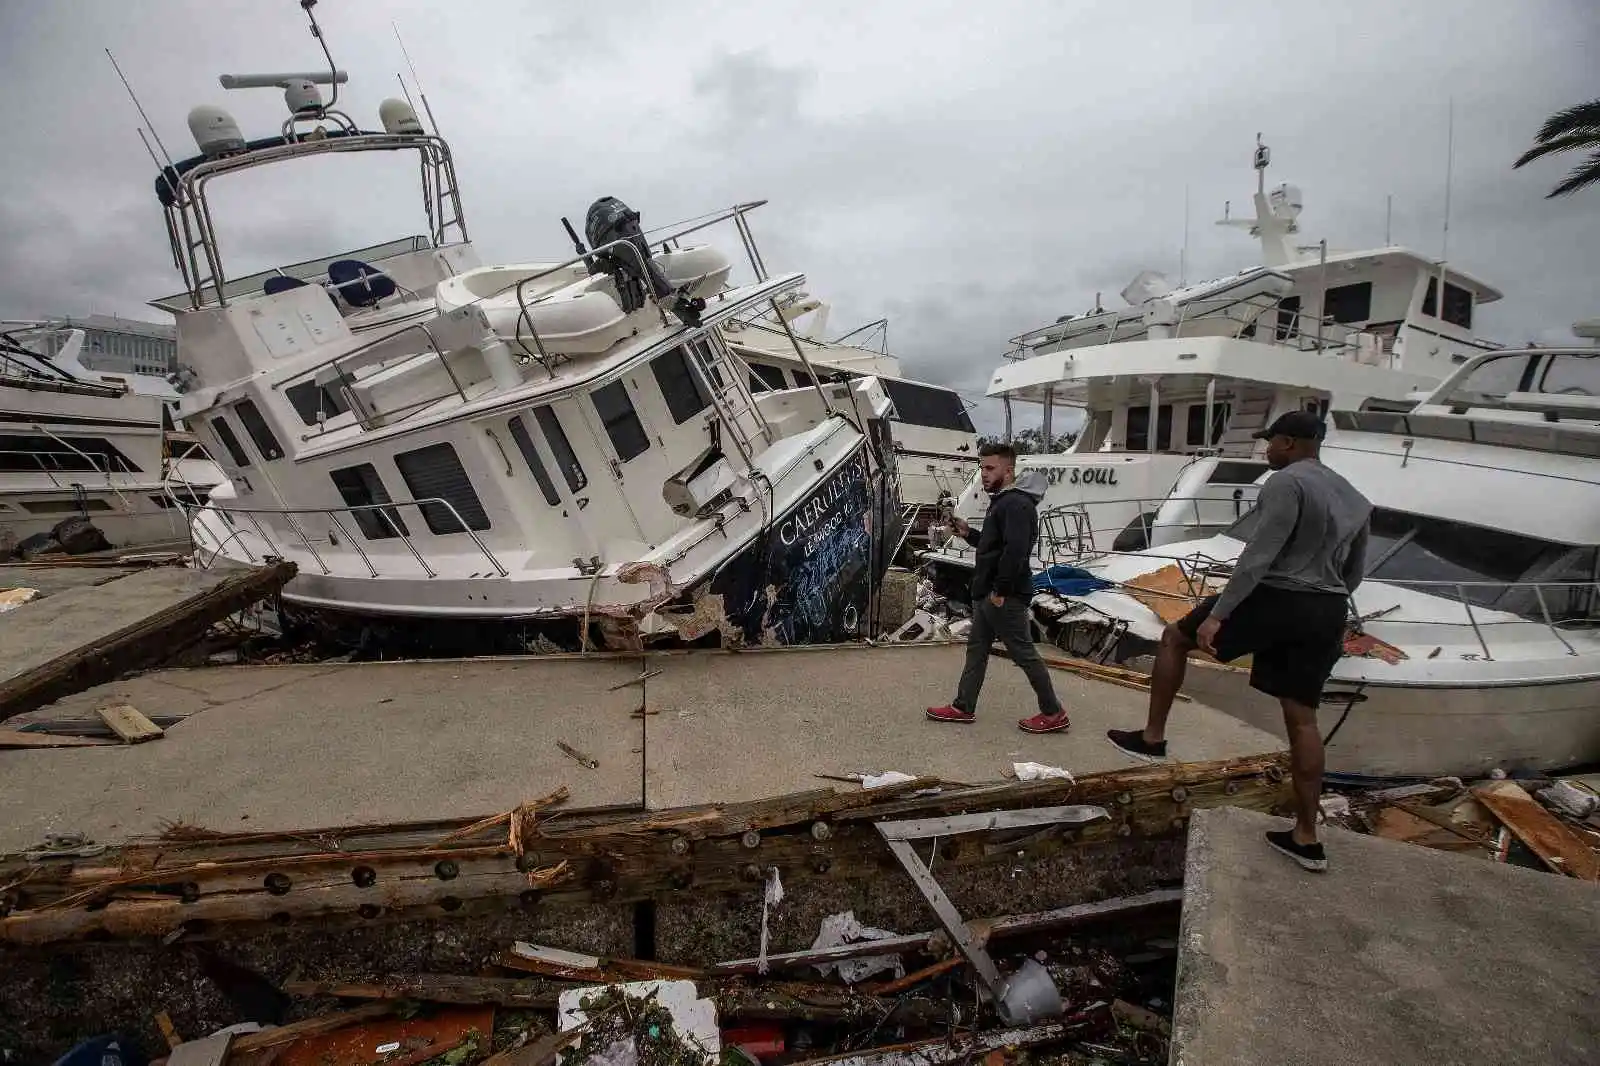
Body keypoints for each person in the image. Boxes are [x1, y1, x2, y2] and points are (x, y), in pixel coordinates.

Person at [1107, 411, 1371, 872]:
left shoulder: (1285, 483)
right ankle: (1307, 838)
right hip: (1327, 608)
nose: (1266, 450)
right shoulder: (1356, 498)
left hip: (1277, 594)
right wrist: (1328, 607)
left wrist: (1220, 615)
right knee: (1302, 717)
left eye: (1270, 442)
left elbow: (1258, 558)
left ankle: (1152, 737)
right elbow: (1354, 573)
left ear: (1289, 444)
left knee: (1173, 638)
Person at [926, 443, 1068, 734]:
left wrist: (1001, 591)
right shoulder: (1004, 502)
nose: (984, 474)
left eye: (990, 468)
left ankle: (1053, 712)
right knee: (977, 650)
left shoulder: (1016, 504)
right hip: (988, 593)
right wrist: (968, 533)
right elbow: (994, 547)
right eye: (982, 468)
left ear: (1009, 469)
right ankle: (963, 706)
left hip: (1004, 595)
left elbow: (1015, 551)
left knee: (1024, 653)